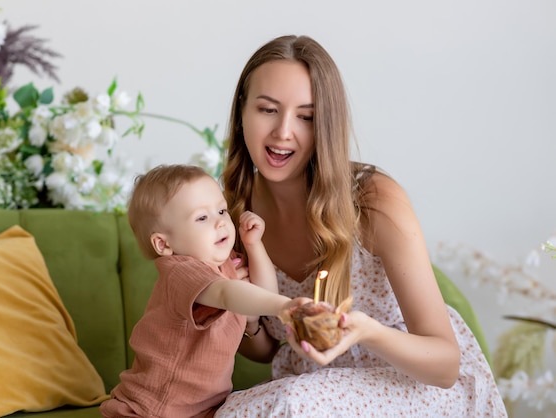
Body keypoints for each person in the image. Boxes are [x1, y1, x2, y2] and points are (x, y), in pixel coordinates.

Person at [215, 35, 507, 417]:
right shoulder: (232, 209)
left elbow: (445, 365)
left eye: (306, 117)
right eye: (268, 110)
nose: (283, 131)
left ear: (327, 125)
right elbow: (267, 348)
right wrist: (249, 317)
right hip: (317, 392)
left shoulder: (373, 202)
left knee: (281, 405)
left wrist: (365, 330)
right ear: (242, 111)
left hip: (415, 388)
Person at [100, 164, 309, 418]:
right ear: (164, 244)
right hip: (152, 409)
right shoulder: (181, 271)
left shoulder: (225, 262)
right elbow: (224, 294)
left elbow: (263, 292)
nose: (221, 221)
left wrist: (254, 245)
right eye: (202, 218)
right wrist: (283, 305)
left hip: (205, 408)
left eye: (221, 210)